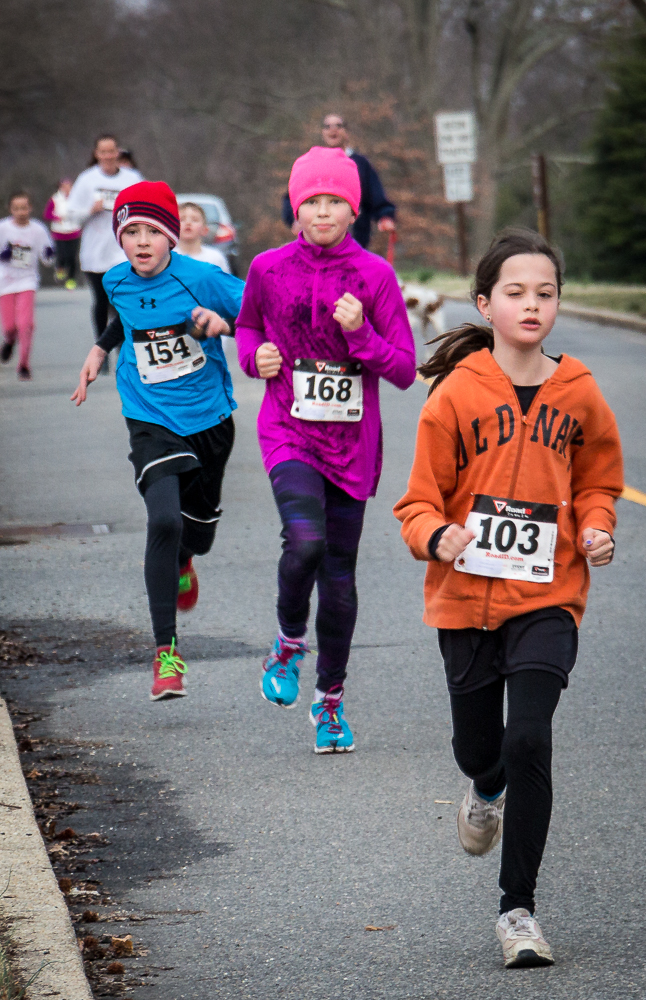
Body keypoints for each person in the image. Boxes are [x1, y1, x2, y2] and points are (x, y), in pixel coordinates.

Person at [393, 228, 623, 968]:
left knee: (528, 738)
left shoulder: (578, 391)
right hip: (462, 601)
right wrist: (438, 538)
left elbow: (597, 481)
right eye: (516, 292)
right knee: (480, 749)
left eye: (545, 291)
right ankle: (481, 785)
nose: (532, 303)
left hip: (549, 595)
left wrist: (594, 527)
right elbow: (415, 505)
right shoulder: (455, 394)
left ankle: (516, 909)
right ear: (484, 303)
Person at [237, 146, 415, 753]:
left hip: (352, 442)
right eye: (311, 200)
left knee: (339, 578)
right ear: (296, 205)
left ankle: (330, 702)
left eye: (334, 201)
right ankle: (289, 639)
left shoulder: (374, 276)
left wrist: (359, 333)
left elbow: (404, 369)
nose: (322, 211)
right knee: (305, 542)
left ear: (352, 207)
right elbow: (249, 326)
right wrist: (253, 355)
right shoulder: (267, 267)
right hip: (288, 426)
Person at [70, 181, 244, 701]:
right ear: (120, 240)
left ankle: (187, 561)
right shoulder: (117, 280)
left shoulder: (204, 279)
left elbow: (257, 314)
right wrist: (100, 351)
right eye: (131, 232)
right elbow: (123, 319)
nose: (142, 242)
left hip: (210, 417)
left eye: (152, 231)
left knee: (197, 534)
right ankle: (167, 654)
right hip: (148, 415)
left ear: (171, 236)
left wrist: (226, 324)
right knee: (163, 519)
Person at [67, 134, 142, 372]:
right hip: (95, 254)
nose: (108, 156)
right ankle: (101, 351)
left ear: (118, 152)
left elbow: (146, 209)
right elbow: (71, 216)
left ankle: (122, 347)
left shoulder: (132, 178)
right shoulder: (87, 180)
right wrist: (91, 210)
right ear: (96, 154)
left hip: (123, 252)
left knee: (122, 301)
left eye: (112, 151)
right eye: (103, 152)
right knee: (101, 301)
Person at [281, 114, 396, 250]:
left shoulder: (360, 163)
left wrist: (385, 216)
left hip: (356, 236)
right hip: (317, 239)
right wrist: (293, 218)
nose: (332, 130)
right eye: (327, 126)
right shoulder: (311, 163)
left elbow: (375, 192)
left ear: (346, 132)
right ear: (322, 132)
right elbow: (293, 195)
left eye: (338, 126)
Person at [0, 191, 54, 380]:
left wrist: (48, 253)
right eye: (17, 208)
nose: (21, 212)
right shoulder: (3, 228)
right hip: (5, 282)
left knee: (25, 324)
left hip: (27, 281)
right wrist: (3, 255)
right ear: (10, 209)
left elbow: (47, 257)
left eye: (24, 208)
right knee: (9, 327)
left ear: (30, 208)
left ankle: (24, 364)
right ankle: (9, 341)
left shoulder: (37, 230)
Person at [43, 178, 81, 290]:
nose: (67, 189)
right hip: (59, 232)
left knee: (72, 257)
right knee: (62, 255)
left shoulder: (76, 198)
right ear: (60, 187)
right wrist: (57, 218)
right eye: (64, 186)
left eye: (69, 186)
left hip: (74, 231)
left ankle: (71, 279)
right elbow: (47, 214)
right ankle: (60, 268)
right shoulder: (55, 199)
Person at [175, 202, 231, 273]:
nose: (188, 223)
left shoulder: (215, 258)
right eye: (182, 219)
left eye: (195, 220)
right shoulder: (168, 258)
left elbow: (224, 282)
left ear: (205, 230)